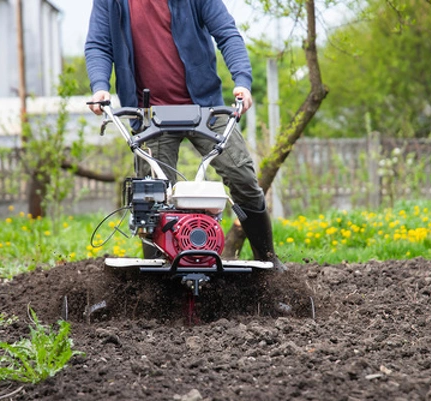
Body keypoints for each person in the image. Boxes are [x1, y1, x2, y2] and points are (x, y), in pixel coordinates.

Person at [85, 0, 286, 271]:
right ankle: (157, 275)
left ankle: (268, 262)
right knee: (151, 196)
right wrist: (100, 86)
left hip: (205, 107)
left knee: (242, 176)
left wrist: (242, 81)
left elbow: (227, 33)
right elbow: (98, 44)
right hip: (149, 113)